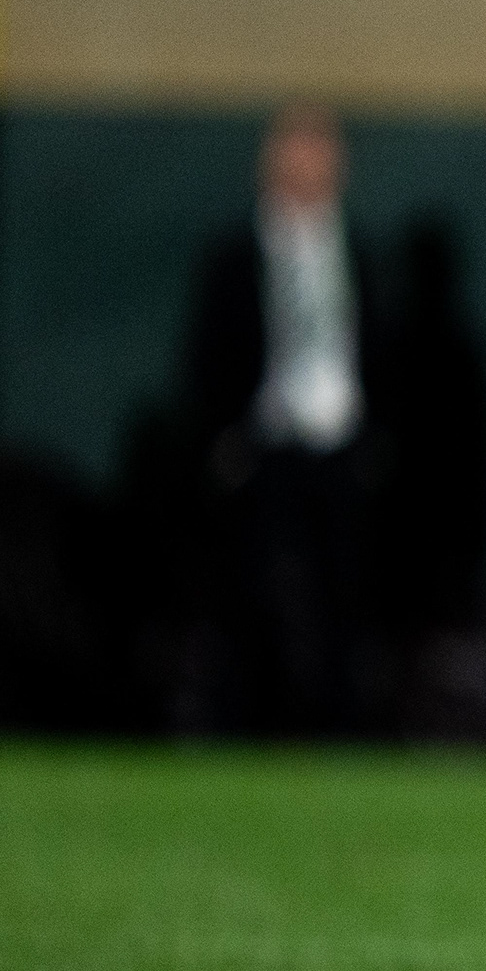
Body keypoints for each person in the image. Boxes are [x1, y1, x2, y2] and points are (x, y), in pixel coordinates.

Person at [176, 104, 382, 735]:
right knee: (255, 602)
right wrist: (224, 445)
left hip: (338, 453)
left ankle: (338, 733)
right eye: (293, 148)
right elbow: (205, 355)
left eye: (318, 149)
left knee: (340, 603)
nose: (304, 163)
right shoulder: (236, 254)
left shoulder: (361, 253)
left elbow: (380, 351)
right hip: (263, 452)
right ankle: (248, 731)